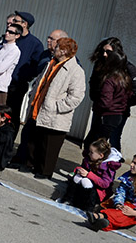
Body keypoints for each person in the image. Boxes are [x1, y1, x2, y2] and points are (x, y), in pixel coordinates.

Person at [20, 37, 86, 178]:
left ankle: (45, 172)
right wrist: (33, 94)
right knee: (35, 141)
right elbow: (40, 81)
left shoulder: (75, 71)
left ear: (63, 51)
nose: (53, 49)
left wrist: (57, 107)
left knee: (50, 147)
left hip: (56, 115)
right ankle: (30, 165)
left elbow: (76, 97)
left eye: (56, 47)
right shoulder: (51, 63)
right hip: (39, 109)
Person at [82, 37, 133, 151]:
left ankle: (103, 167)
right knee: (94, 142)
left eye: (108, 52)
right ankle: (90, 166)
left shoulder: (125, 71)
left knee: (105, 143)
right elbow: (93, 82)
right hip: (104, 110)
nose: (104, 55)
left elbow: (131, 92)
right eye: (103, 51)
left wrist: (120, 104)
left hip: (115, 112)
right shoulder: (101, 65)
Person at [58, 138, 122, 211]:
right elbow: (83, 168)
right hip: (88, 186)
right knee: (77, 177)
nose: (89, 154)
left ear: (101, 155)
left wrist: (89, 175)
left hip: (98, 192)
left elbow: (105, 184)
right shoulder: (89, 159)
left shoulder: (107, 167)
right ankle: (68, 199)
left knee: (85, 180)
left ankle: (88, 207)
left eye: (91, 152)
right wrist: (79, 170)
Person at [6, 11, 44, 130]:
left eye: (16, 21)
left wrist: (23, 77)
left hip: (17, 85)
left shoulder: (35, 44)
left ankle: (9, 142)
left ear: (25, 24)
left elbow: (37, 67)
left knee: (12, 114)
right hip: (2, 82)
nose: (12, 23)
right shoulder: (10, 37)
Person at [88, 157, 136, 231]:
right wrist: (119, 203)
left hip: (133, 209)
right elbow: (121, 191)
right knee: (116, 208)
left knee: (125, 215)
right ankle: (101, 223)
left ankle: (99, 216)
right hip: (125, 204)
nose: (131, 164)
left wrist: (134, 212)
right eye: (132, 162)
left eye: (135, 163)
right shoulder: (129, 176)